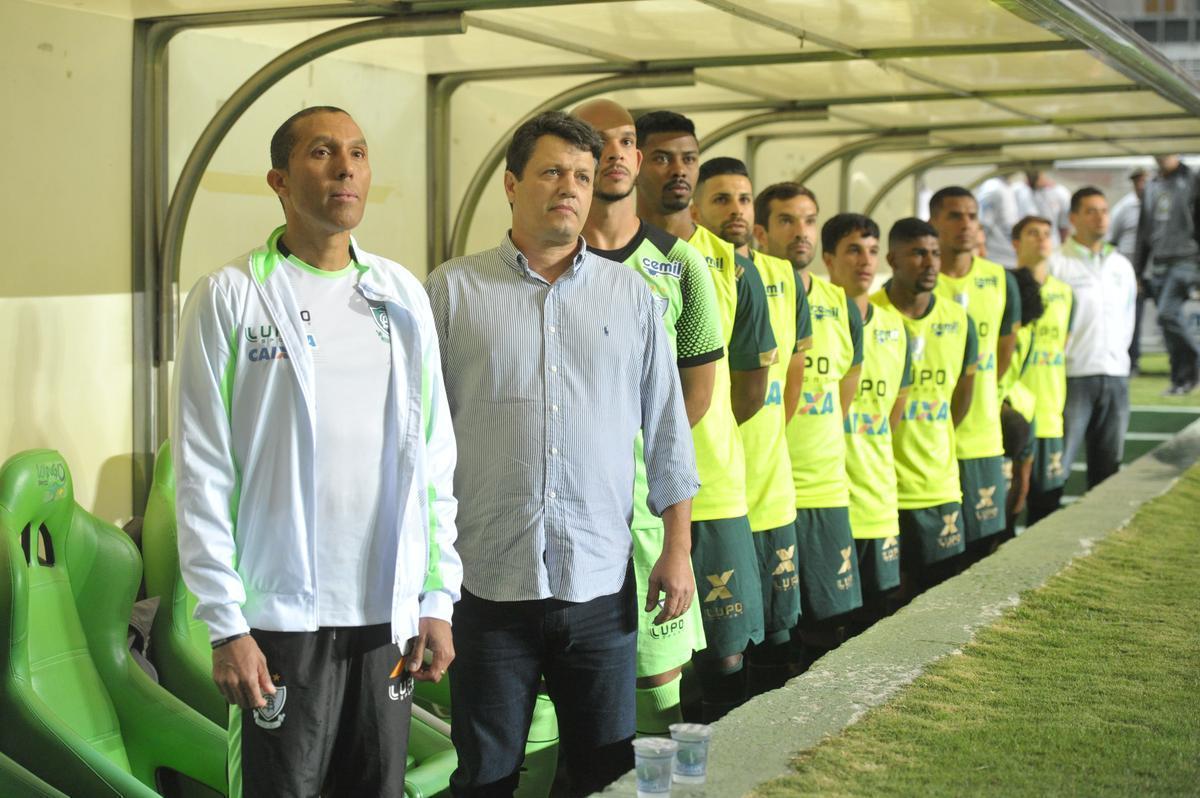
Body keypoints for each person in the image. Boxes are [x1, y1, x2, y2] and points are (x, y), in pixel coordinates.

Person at [173, 106, 461, 797]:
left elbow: (433, 460)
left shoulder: (399, 295)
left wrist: (437, 597)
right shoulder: (230, 296)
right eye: (323, 152)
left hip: (386, 618)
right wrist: (226, 626)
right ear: (279, 179)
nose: (346, 169)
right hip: (279, 620)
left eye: (358, 153)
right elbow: (203, 471)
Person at [426, 111, 697, 796]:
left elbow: (668, 428)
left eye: (581, 175)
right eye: (552, 172)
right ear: (511, 185)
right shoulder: (451, 293)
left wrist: (678, 548)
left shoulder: (633, 296)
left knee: (604, 773)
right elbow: (417, 441)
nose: (570, 188)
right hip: (486, 585)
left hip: (599, 585)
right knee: (485, 777)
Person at [572, 99, 724, 736]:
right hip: (561, 518)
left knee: (657, 689)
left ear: (637, 158)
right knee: (565, 691)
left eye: (626, 141)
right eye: (596, 141)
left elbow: (694, 399)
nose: (613, 153)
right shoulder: (545, 259)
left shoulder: (681, 264)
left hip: (647, 514)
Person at [635, 111, 776, 721]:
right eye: (662, 157)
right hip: (625, 493)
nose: (678, 170)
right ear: (632, 163)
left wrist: (694, 440)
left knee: (724, 652)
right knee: (640, 655)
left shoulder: (732, 266)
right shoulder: (600, 254)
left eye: (688, 158)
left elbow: (748, 389)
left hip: (712, 488)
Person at [691, 157, 812, 693]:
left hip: (766, 483)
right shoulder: (688, 264)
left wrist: (755, 438)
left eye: (743, 199)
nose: (736, 210)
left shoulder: (777, 277)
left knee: (772, 637)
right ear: (696, 208)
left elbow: (784, 385)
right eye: (721, 199)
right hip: (711, 486)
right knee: (713, 650)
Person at [778, 192, 868, 664]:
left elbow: (847, 386)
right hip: (768, 492)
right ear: (762, 230)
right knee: (774, 631)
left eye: (809, 221)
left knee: (828, 625)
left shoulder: (840, 305)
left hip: (827, 490)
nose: (801, 232)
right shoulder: (751, 289)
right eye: (787, 221)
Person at [874, 218, 977, 591]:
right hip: (881, 487)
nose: (931, 263)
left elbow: (961, 398)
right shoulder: (868, 314)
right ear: (892, 259)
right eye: (918, 253)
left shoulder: (959, 320)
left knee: (938, 594)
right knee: (886, 601)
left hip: (939, 486)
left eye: (935, 253)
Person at [823, 213, 910, 622]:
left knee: (876, 619)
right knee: (823, 626)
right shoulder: (813, 319)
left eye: (873, 251)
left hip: (876, 501)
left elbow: (893, 414)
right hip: (824, 498)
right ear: (828, 259)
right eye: (854, 250)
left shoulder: (895, 327)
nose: (866, 261)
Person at [929, 186, 1021, 554]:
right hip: (929, 442)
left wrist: (979, 394)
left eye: (972, 216)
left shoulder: (1000, 279)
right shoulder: (920, 279)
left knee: (983, 547)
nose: (965, 224)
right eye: (954, 216)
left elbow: (1003, 355)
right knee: (936, 558)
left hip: (982, 437)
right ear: (933, 221)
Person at [1052, 187, 1137, 490]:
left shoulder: (1121, 265)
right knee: (1057, 467)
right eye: (1091, 211)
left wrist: (1119, 359)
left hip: (1115, 375)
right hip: (1072, 376)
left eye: (1104, 211)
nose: (1100, 217)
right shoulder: (1056, 263)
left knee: (1108, 470)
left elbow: (1128, 318)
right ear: (1073, 218)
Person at [1012, 216, 1074, 524]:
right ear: (1016, 243)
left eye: (1047, 234)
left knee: (1046, 507)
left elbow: (1063, 344)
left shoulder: (1065, 292)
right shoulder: (1006, 287)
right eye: (1033, 233)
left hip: (1049, 413)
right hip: (1012, 412)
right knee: (1007, 509)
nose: (1042, 239)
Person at [1135, 155, 1200, 395]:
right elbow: (1143, 231)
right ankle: (1181, 380)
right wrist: (1137, 271)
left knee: (1167, 314)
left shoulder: (1192, 179)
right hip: (1159, 263)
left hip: (1186, 260)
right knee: (1166, 324)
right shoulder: (1151, 185)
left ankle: (1193, 366)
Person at [1108, 168, 1148, 373]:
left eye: (1144, 181)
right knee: (1131, 317)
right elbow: (1112, 239)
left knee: (1169, 317)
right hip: (1130, 270)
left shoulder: (1159, 205)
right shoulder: (1124, 207)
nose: (1141, 186)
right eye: (1137, 181)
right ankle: (1132, 361)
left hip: (1155, 269)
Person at [977, 173, 1022, 268]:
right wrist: (981, 250)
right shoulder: (992, 188)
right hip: (996, 259)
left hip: (1011, 258)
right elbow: (984, 224)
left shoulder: (1009, 187)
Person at [1016, 170, 1072, 245]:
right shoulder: (1017, 190)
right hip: (1024, 245)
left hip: (1052, 245)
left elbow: (1064, 226)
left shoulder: (1060, 192)